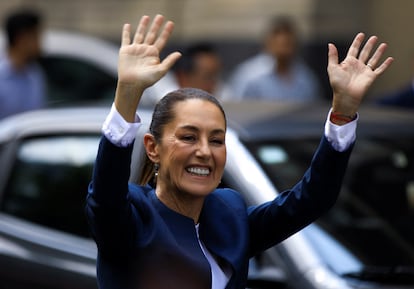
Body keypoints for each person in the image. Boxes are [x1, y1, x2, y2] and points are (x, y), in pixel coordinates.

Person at [85, 14, 393, 289]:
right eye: (189, 137)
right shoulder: (132, 217)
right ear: (153, 148)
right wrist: (127, 95)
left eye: (216, 140)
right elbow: (105, 197)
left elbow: (312, 200)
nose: (205, 151)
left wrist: (343, 113)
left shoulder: (228, 213)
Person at [228, 16, 321, 102]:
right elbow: (236, 109)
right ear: (268, 43)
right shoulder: (249, 76)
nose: (284, 50)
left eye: (288, 45)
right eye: (280, 45)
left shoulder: (306, 78)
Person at [141, 42, 229, 105]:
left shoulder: (222, 92)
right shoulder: (156, 97)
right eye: (207, 76)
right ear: (183, 77)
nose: (214, 84)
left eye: (216, 75)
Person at [0, 9, 46, 119]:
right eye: (36, 36)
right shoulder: (1, 78)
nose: (40, 43)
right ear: (22, 39)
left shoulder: (35, 75)